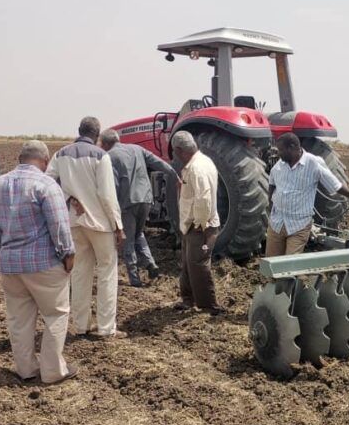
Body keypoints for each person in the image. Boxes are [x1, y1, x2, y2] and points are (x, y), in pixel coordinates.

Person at [0, 140, 77, 384]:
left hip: (11, 266)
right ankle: (53, 371)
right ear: (45, 161)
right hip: (43, 263)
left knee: (19, 320)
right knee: (56, 314)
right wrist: (68, 254)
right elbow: (59, 225)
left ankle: (26, 370)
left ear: (20, 158)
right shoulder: (46, 184)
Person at [46, 117, 126, 339]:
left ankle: (81, 326)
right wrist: (118, 226)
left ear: (79, 130)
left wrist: (69, 197)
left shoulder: (61, 154)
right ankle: (106, 328)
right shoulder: (101, 156)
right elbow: (107, 195)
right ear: (97, 135)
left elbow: (48, 182)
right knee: (107, 273)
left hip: (74, 222)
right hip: (100, 223)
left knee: (80, 273)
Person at [266, 133, 349, 256]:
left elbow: (336, 185)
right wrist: (271, 203)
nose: (278, 153)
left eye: (281, 150)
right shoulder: (279, 165)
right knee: (271, 263)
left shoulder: (313, 163)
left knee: (289, 265)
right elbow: (272, 182)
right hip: (277, 223)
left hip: (298, 226)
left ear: (292, 147)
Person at [100, 129, 179, 287]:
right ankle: (151, 264)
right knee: (138, 233)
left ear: (106, 144)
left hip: (128, 203)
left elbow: (113, 185)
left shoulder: (109, 157)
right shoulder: (137, 149)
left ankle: (134, 278)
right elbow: (158, 162)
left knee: (128, 240)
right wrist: (173, 173)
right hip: (146, 199)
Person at [172, 131, 223, 315]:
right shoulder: (203, 162)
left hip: (199, 225)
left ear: (179, 150)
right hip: (191, 224)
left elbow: (203, 198)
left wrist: (200, 225)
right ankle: (188, 300)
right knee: (188, 264)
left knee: (199, 266)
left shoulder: (196, 168)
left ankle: (208, 305)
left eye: (175, 153)